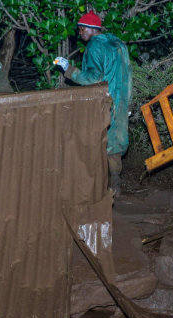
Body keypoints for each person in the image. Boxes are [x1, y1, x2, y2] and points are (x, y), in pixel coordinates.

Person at [53, 11, 132, 195]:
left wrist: (68, 69)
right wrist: (127, 104)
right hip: (120, 102)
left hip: (103, 103)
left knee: (95, 142)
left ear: (91, 29)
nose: (80, 33)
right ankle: (115, 184)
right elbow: (128, 75)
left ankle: (95, 189)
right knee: (115, 144)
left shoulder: (95, 46)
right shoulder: (118, 44)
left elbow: (92, 78)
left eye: (82, 29)